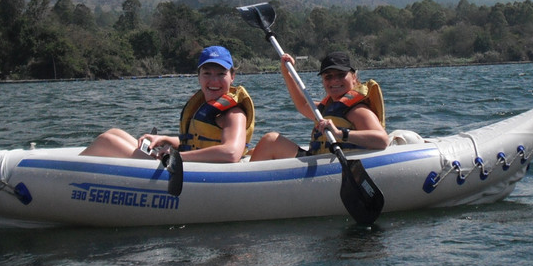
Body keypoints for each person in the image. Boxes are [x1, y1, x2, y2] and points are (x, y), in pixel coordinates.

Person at [80, 46, 255, 163]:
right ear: (199, 76)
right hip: (188, 165)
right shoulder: (204, 105)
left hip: (196, 172)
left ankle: (69, 183)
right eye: (207, 73)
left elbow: (231, 153)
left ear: (232, 77)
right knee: (114, 133)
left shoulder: (234, 114)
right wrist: (164, 139)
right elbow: (195, 142)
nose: (213, 80)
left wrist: (177, 156)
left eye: (221, 74)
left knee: (107, 141)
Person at [249, 50, 388, 161]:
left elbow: (382, 140)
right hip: (319, 162)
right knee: (270, 141)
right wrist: (287, 73)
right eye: (328, 77)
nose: (334, 80)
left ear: (354, 78)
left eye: (341, 75)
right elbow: (303, 104)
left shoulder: (359, 111)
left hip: (336, 167)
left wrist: (339, 133)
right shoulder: (326, 108)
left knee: (270, 140)